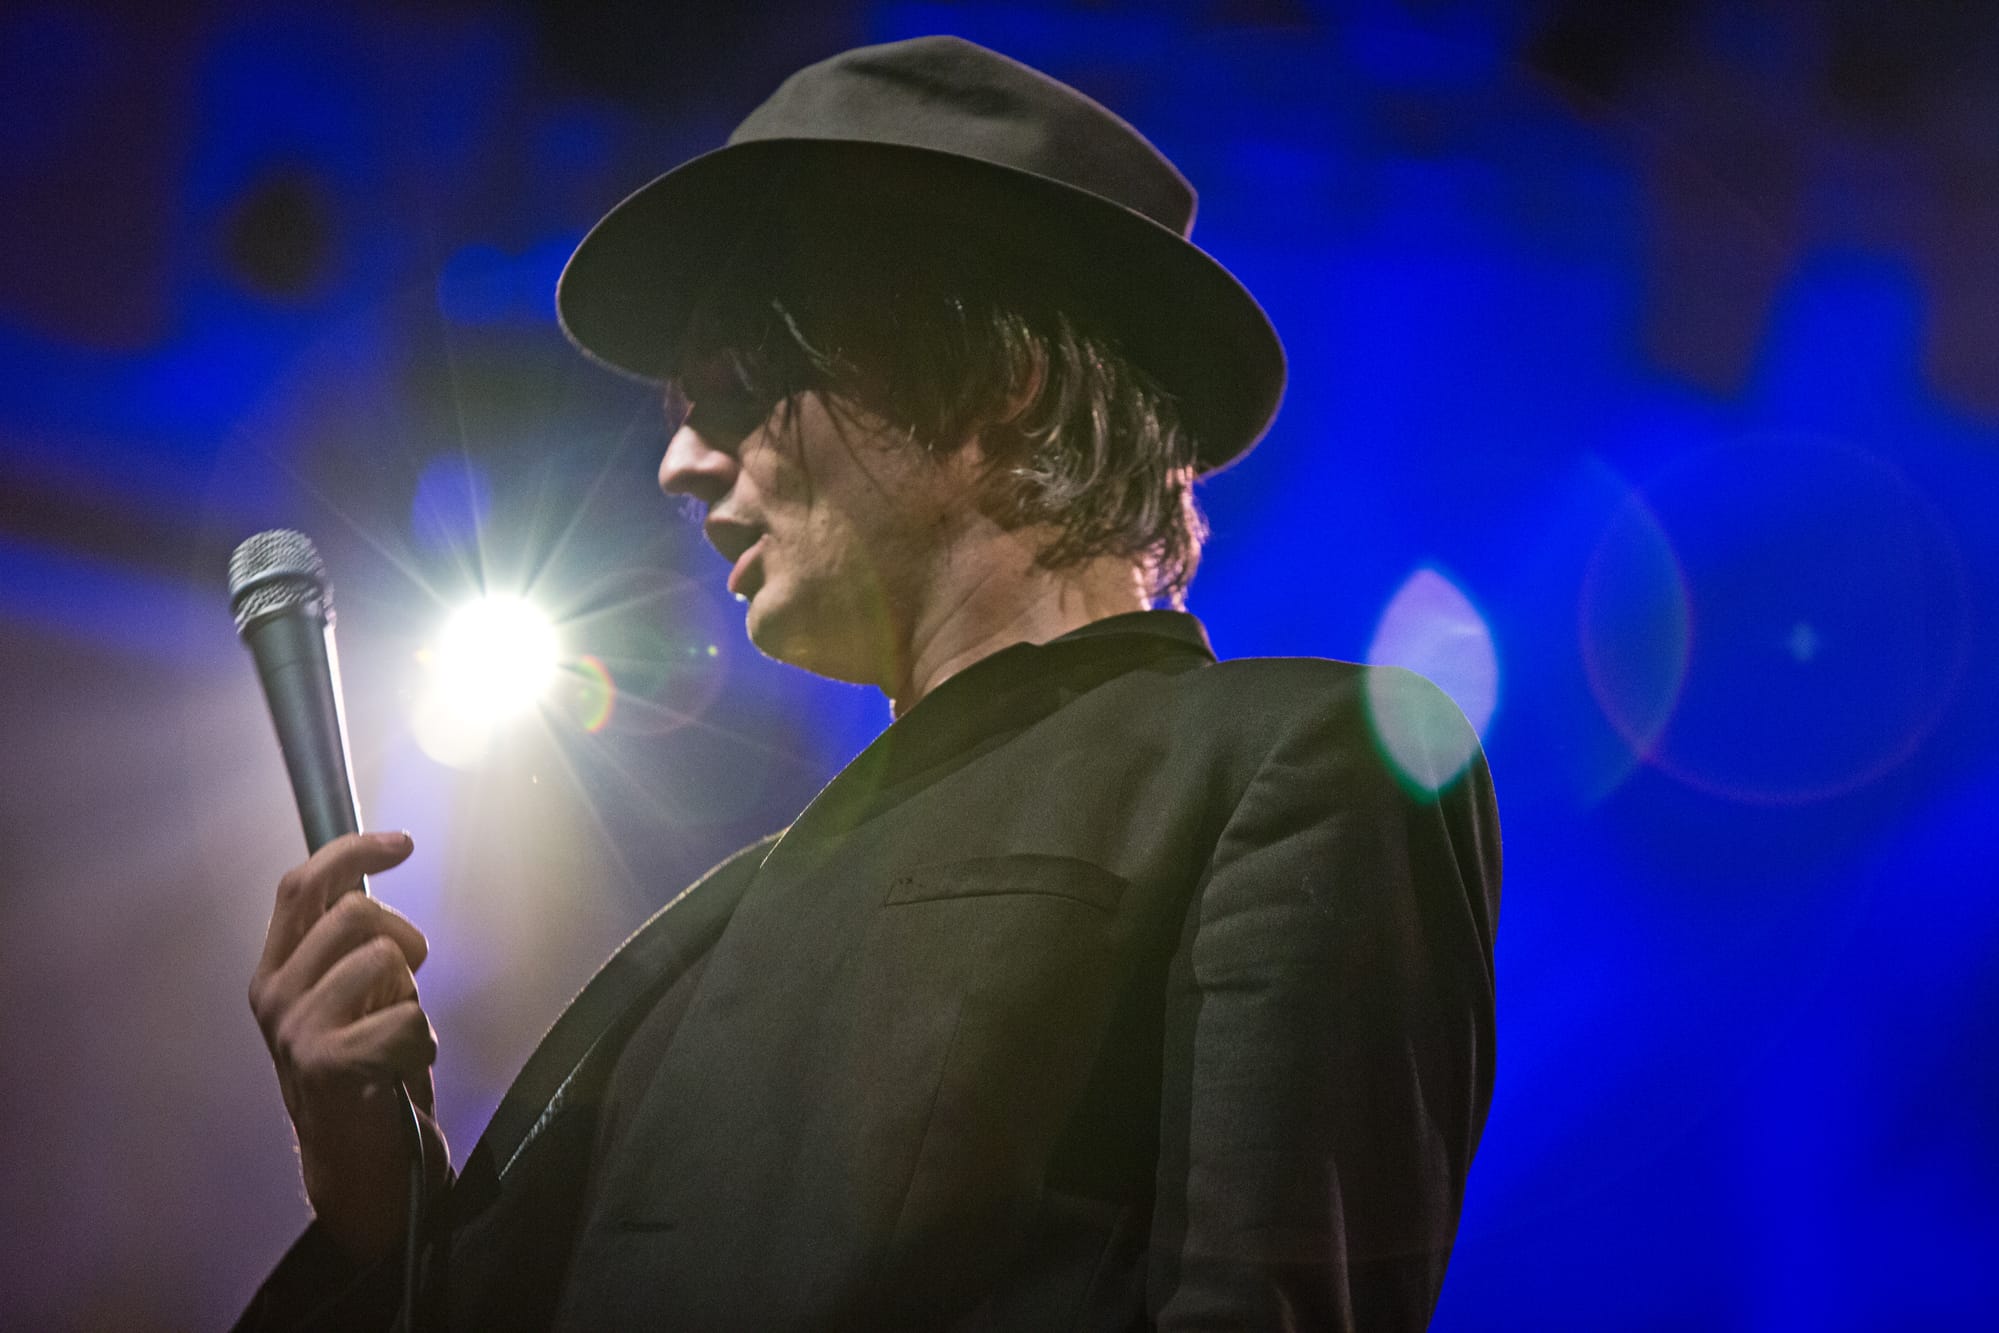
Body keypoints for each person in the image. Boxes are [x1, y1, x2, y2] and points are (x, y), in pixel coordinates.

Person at [235, 35, 1500, 1332]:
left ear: (999, 378)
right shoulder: (705, 942)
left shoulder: (1291, 763)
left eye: (737, 382)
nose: (679, 461)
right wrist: (378, 1205)